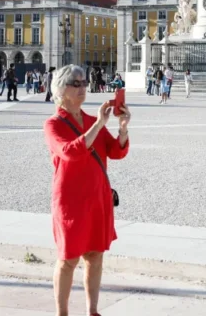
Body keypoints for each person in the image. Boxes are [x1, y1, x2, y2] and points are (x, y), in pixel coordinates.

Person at [43, 64, 130, 316]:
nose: (82, 88)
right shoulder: (53, 124)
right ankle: (62, 313)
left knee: (95, 256)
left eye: (84, 83)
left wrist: (122, 128)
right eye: (76, 84)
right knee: (68, 259)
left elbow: (115, 151)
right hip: (71, 200)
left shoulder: (93, 121)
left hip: (96, 197)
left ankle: (92, 311)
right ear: (61, 89)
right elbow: (69, 152)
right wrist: (99, 124)